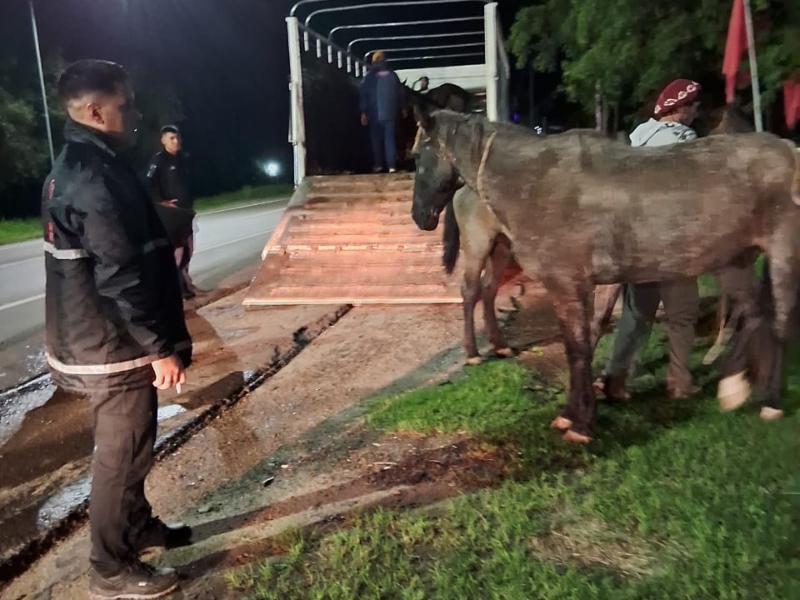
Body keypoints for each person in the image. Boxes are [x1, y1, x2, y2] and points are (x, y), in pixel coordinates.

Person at [43, 59, 193, 599]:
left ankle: (137, 525)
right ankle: (110, 567)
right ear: (96, 110)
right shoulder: (94, 176)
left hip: (104, 338)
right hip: (114, 345)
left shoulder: (87, 162)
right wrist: (159, 349)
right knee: (122, 453)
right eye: (126, 104)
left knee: (135, 445)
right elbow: (121, 276)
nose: (135, 113)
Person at [601, 79, 702, 401]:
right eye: (694, 107)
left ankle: (614, 379)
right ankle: (679, 380)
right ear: (681, 109)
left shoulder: (636, 141)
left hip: (639, 244)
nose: (696, 113)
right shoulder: (686, 143)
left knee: (637, 313)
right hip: (673, 244)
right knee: (682, 313)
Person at [147, 125, 197, 300]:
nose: (176, 142)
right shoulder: (159, 160)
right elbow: (149, 184)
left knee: (189, 249)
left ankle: (186, 282)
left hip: (186, 213)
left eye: (177, 138)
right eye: (171, 138)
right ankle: (177, 290)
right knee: (178, 252)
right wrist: (162, 202)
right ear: (163, 140)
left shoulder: (183, 159)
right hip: (171, 216)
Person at [359, 50, 406, 173]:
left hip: (374, 114)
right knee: (389, 139)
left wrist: (363, 112)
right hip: (390, 113)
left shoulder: (369, 78)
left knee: (376, 140)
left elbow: (364, 95)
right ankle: (391, 166)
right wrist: (403, 108)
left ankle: (378, 164)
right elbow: (401, 94)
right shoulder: (392, 76)